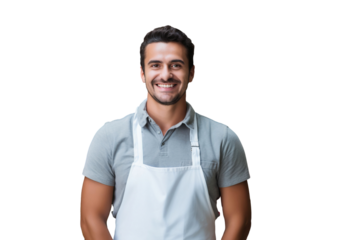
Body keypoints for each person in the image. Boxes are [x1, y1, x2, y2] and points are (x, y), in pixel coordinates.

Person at [80, 23, 252, 240]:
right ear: (142, 73)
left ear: (192, 73)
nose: (166, 74)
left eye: (176, 65)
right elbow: (91, 218)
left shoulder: (223, 138)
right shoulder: (109, 136)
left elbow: (240, 221)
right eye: (155, 65)